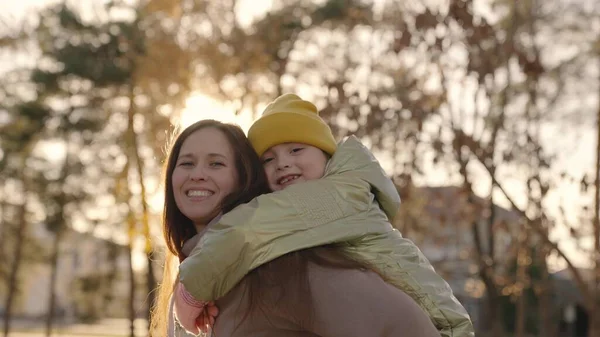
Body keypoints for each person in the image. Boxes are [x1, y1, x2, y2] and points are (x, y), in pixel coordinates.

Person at [176, 94, 474, 337]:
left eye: (296, 149)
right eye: (268, 159)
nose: (282, 164)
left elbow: (248, 228)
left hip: (443, 326)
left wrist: (194, 287)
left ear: (326, 155)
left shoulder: (342, 193)